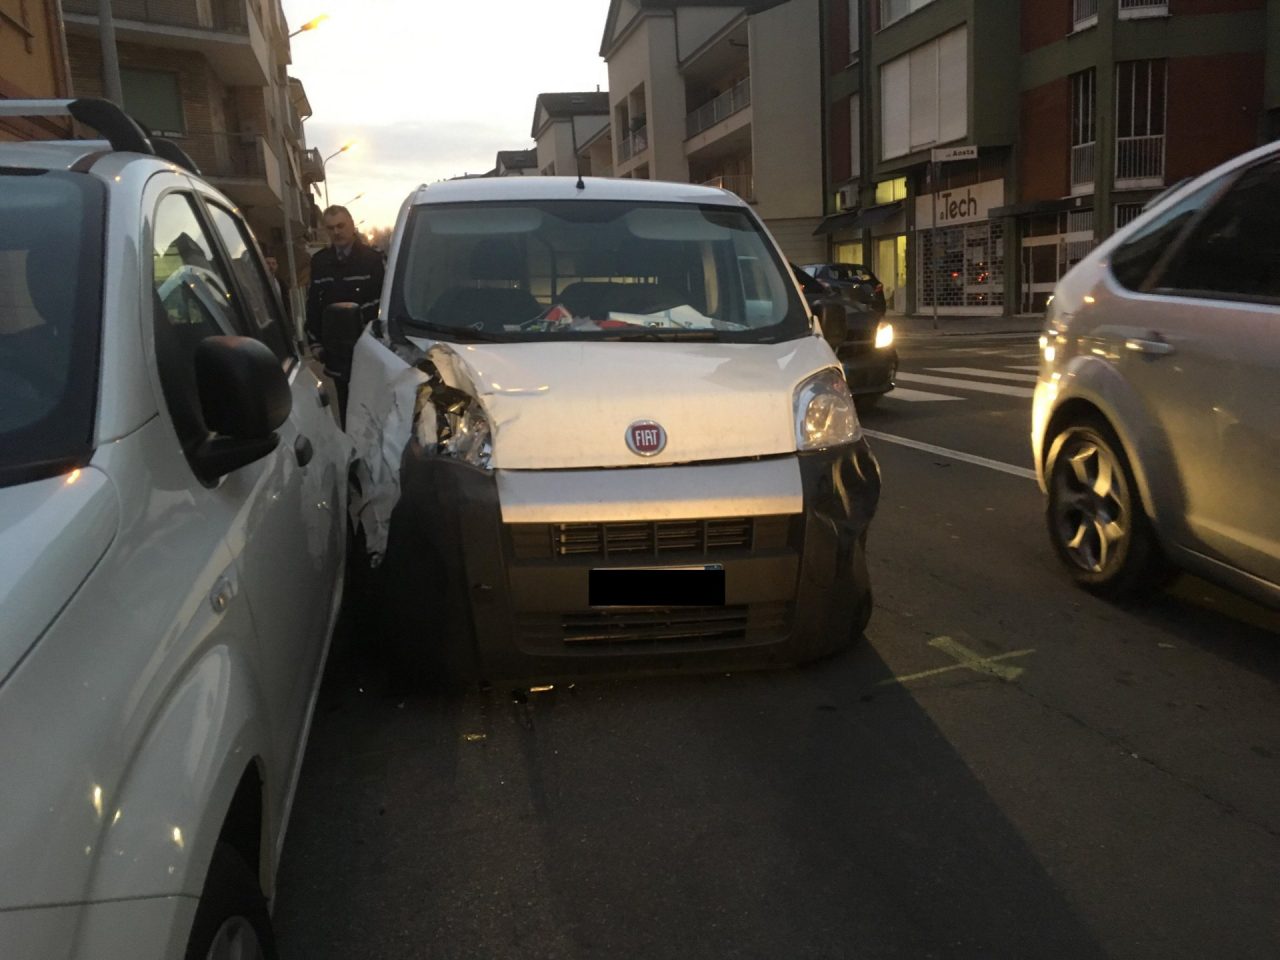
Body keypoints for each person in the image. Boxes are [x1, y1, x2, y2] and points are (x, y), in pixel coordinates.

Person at [305, 205, 385, 351]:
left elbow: (381, 302)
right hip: (332, 348)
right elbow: (314, 305)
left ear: (352, 225)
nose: (336, 232)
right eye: (331, 228)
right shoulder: (319, 262)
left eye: (340, 226)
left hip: (367, 346)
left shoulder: (372, 259)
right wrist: (314, 342)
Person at [263, 254, 293, 327]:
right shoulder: (259, 283)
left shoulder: (281, 283)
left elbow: (285, 302)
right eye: (268, 263)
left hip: (281, 320)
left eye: (273, 264)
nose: (271, 266)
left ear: (277, 266)